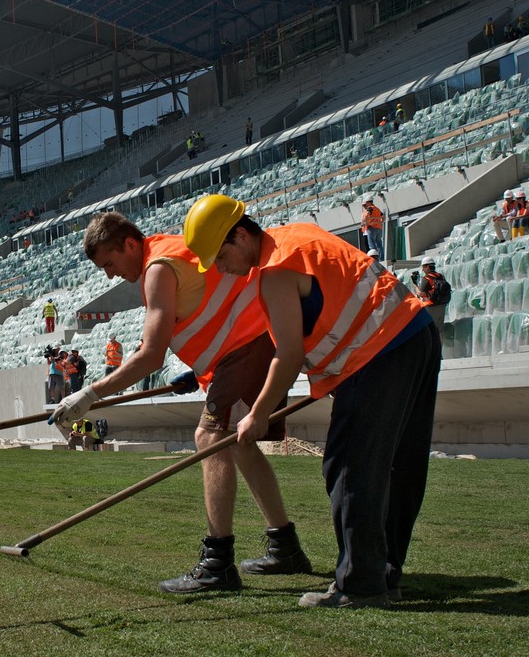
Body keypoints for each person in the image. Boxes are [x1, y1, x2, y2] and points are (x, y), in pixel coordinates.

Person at [182, 194, 440, 609]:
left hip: (377, 353)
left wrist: (259, 414)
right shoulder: (298, 236)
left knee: (349, 469)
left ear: (242, 236)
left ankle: (360, 586)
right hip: (416, 333)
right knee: (397, 466)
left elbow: (289, 354)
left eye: (221, 254)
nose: (220, 268)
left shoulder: (274, 270)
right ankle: (382, 574)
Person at [50, 210, 312, 595]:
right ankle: (284, 547)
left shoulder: (157, 267)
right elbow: (204, 306)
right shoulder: (168, 249)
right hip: (253, 341)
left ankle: (217, 562)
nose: (110, 275)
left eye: (110, 263)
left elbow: (151, 355)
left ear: (129, 244)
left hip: (247, 346)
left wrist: (88, 395)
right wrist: (198, 368)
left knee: (209, 437)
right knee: (237, 444)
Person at [416, 256, 449, 334]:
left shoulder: (426, 278)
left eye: (423, 267)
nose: (422, 269)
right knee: (439, 330)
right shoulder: (440, 276)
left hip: (430, 306)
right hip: (442, 305)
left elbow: (420, 293)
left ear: (427, 266)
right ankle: (439, 345)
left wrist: (415, 286)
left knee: (430, 331)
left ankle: (432, 346)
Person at [360, 195, 385, 260]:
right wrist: (380, 223)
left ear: (368, 202)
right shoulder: (377, 209)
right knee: (379, 245)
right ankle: (381, 258)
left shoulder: (370, 208)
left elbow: (366, 215)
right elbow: (383, 217)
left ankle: (374, 259)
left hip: (371, 228)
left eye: (365, 205)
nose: (365, 207)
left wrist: (365, 222)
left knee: (372, 245)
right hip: (378, 228)